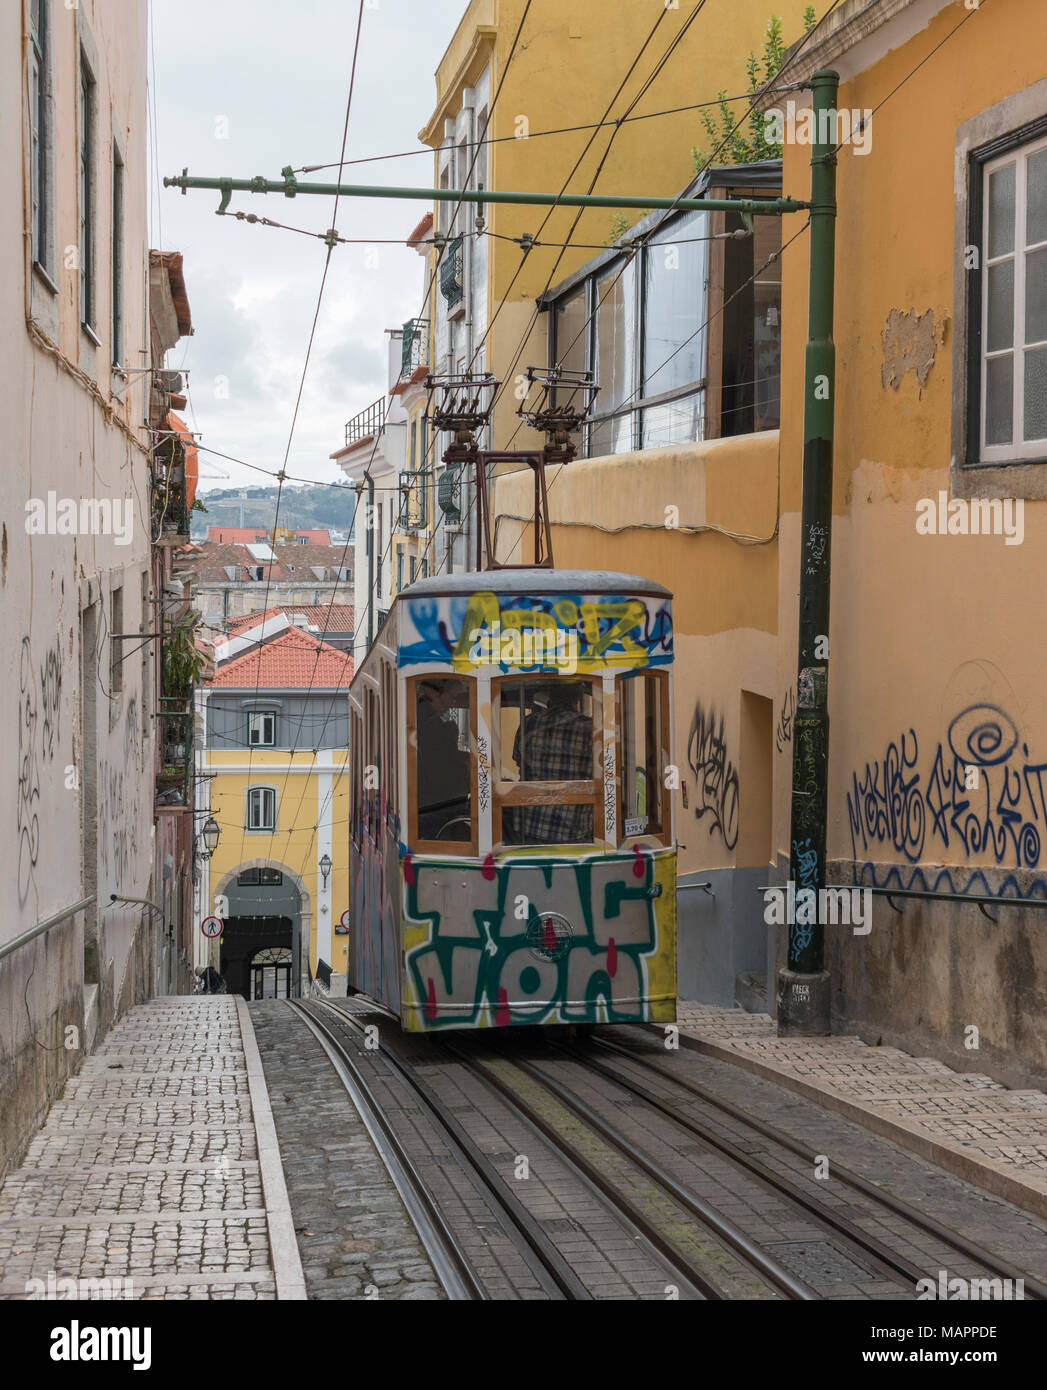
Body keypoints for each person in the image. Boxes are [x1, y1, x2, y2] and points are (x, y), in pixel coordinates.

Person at [512, 682, 594, 844]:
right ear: (578, 697)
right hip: (574, 828)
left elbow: (519, 761)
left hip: (530, 825)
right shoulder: (590, 729)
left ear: (550, 695)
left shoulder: (529, 723)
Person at [416, 679, 470, 840]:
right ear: (434, 693)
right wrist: (467, 769)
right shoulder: (429, 724)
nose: (453, 703)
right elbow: (440, 770)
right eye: (452, 696)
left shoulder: (423, 717)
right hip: (436, 808)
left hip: (431, 805)